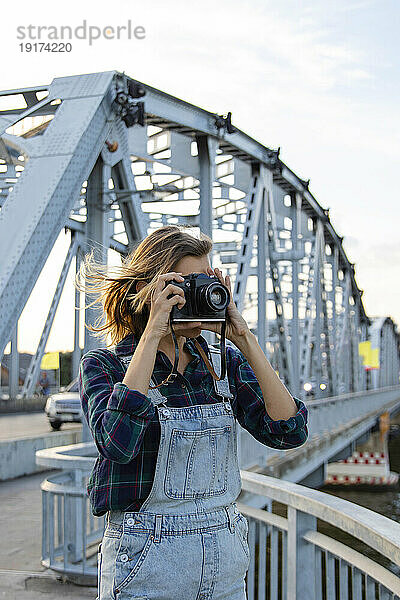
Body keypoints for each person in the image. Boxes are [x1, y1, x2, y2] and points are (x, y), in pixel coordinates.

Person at [77, 224, 309, 600]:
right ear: (147, 291)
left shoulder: (221, 363)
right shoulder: (105, 366)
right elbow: (117, 444)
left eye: (204, 284)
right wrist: (153, 332)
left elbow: (289, 432)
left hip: (225, 558)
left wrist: (244, 338)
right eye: (183, 286)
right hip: (144, 559)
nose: (195, 298)